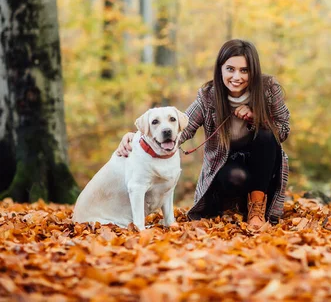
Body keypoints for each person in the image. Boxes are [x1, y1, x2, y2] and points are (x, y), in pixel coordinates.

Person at [117, 39, 290, 230]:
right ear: (221, 69)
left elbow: (283, 131)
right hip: (227, 168)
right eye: (230, 69)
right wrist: (137, 136)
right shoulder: (209, 95)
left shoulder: (268, 89)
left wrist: (257, 118)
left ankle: (257, 210)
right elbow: (183, 128)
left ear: (254, 71)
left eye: (244, 70)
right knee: (234, 175)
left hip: (264, 168)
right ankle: (232, 207)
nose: (236, 76)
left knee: (266, 135)